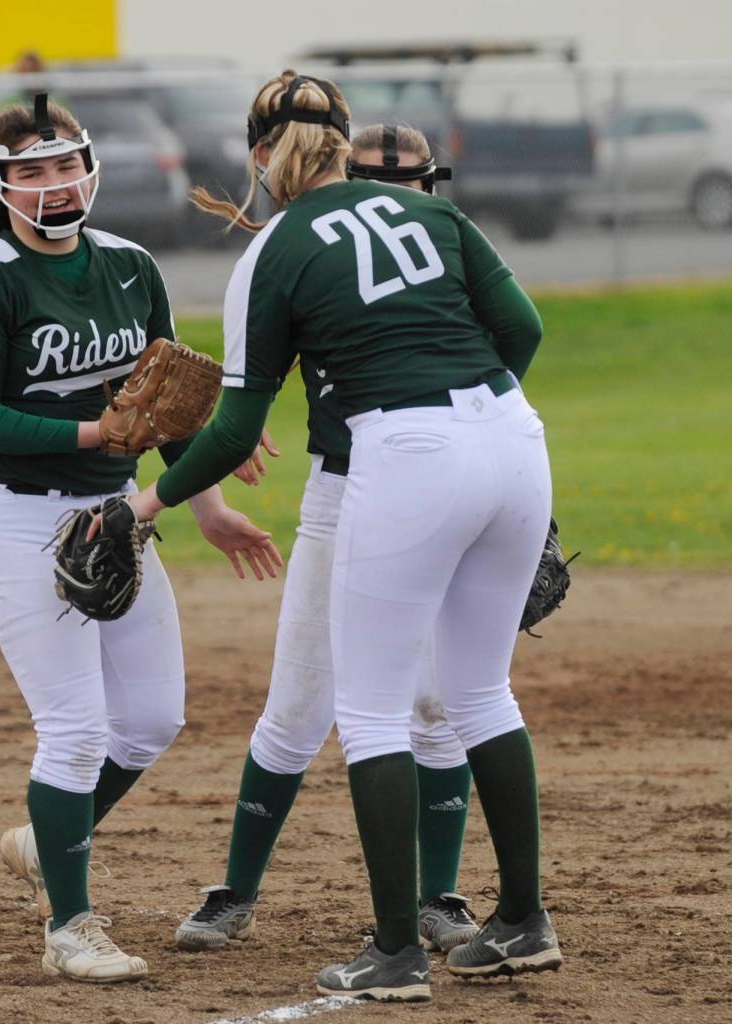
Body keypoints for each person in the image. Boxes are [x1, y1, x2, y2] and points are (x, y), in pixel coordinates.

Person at [100, 70, 562, 1001]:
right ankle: (523, 921)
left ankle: (393, 954)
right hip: (514, 438)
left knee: (373, 712)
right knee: (479, 694)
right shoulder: (434, 217)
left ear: (262, 159)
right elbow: (521, 326)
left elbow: (233, 429)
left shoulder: (272, 247)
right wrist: (466, 407)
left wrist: (143, 507)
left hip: (404, 455)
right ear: (346, 150)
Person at [0, 94, 280, 984]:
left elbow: (161, 402)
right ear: (2, 185)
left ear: (91, 168)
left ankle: (41, 842)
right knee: (76, 727)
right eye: (32, 172)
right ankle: (70, 925)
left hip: (119, 512)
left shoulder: (130, 264)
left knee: (153, 716)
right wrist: (96, 437)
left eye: (65, 166)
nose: (54, 185)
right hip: (17, 513)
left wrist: (200, 502)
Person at [173, 124, 479, 959]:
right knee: (299, 704)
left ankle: (437, 896)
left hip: (444, 489)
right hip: (347, 491)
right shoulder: (314, 249)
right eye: (375, 177)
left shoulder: (446, 244)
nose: (390, 193)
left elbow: (503, 360)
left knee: (437, 704)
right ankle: (236, 890)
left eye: (405, 180)